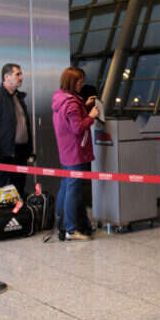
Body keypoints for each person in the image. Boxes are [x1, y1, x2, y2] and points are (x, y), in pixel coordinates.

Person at [52, 67, 99, 241]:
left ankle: (62, 224)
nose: (81, 85)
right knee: (73, 189)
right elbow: (77, 128)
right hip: (76, 152)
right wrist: (91, 115)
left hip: (66, 151)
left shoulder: (61, 99)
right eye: (80, 82)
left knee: (66, 186)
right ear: (72, 82)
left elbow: (71, 119)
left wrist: (84, 107)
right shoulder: (71, 103)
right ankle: (71, 229)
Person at [0, 63, 33, 208]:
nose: (21, 77)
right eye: (17, 74)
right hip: (3, 151)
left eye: (21, 74)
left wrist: (30, 149)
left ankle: (15, 216)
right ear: (7, 77)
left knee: (18, 186)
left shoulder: (18, 97)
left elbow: (24, 125)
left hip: (20, 151)